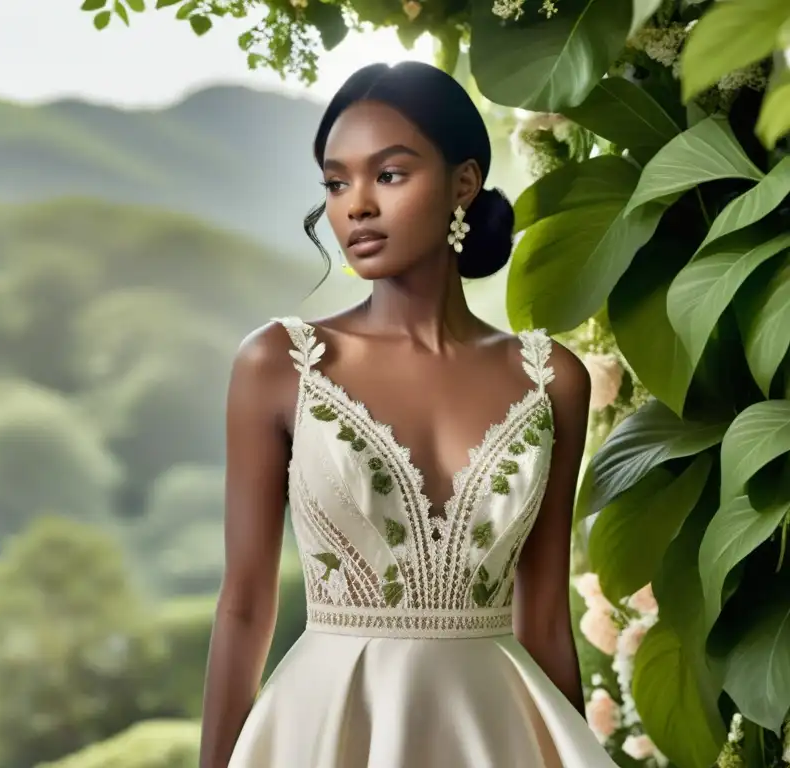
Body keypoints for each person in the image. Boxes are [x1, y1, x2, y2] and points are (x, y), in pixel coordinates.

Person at [199, 60, 617, 767]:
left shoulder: (553, 380)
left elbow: (544, 615)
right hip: (327, 727)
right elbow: (244, 605)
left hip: (497, 732)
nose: (356, 204)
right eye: (336, 182)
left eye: (388, 174)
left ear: (463, 181)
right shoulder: (278, 364)